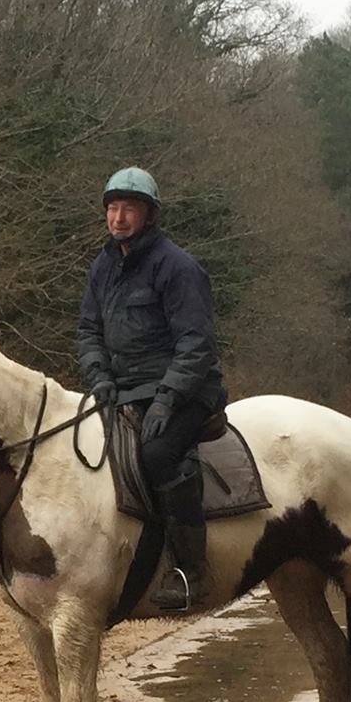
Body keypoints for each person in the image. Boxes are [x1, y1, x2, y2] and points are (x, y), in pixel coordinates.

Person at [76, 167, 228, 611]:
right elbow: (88, 330)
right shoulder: (102, 268)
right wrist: (100, 377)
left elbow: (196, 343)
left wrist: (168, 397)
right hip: (122, 390)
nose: (118, 217)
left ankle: (192, 572)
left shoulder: (178, 267)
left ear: (149, 215)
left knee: (158, 454)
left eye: (129, 209)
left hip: (187, 390)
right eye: (112, 208)